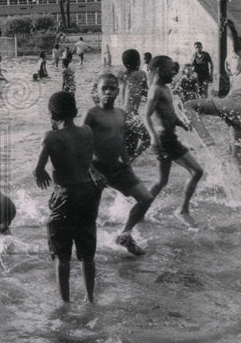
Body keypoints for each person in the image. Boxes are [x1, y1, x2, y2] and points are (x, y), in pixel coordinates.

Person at [184, 19, 241, 178]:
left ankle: (207, 140)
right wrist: (232, 29)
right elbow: (237, 48)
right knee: (235, 150)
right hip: (240, 111)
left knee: (188, 105)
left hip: (229, 104)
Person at [33, 91, 101, 303]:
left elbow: (37, 169)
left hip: (65, 195)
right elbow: (88, 159)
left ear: (52, 114)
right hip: (88, 192)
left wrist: (42, 173)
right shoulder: (87, 131)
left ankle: (65, 303)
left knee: (62, 255)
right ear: (76, 111)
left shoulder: (51, 137)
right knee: (87, 253)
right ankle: (90, 298)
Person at [84, 73, 155, 256]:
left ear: (118, 91)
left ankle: (125, 234)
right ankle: (89, 252)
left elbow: (121, 141)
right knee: (90, 213)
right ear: (97, 91)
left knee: (146, 198)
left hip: (117, 167)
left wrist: (128, 163)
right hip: (96, 168)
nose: (108, 92)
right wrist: (92, 172)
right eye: (104, 88)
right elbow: (82, 144)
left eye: (112, 88)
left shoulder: (121, 114)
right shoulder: (92, 114)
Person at [144, 56, 205, 227]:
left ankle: (140, 208)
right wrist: (153, 136)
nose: (174, 72)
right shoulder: (155, 89)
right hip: (165, 140)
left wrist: (181, 124)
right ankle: (182, 210)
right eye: (171, 69)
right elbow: (146, 115)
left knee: (161, 181)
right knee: (197, 171)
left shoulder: (165, 88)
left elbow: (168, 113)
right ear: (159, 70)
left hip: (169, 138)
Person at [118, 49, 151, 161]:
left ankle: (126, 163)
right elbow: (147, 94)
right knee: (148, 139)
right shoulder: (141, 74)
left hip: (119, 115)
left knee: (124, 146)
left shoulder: (120, 74)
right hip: (131, 116)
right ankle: (130, 160)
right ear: (138, 62)